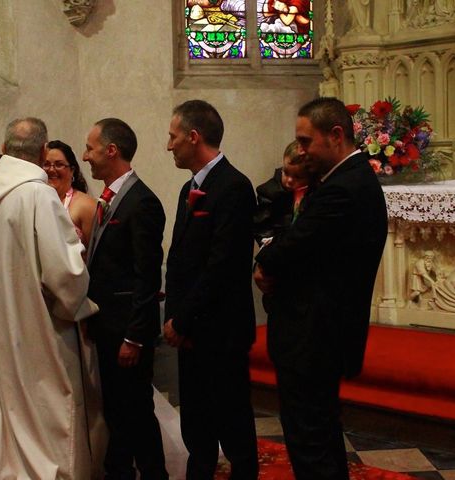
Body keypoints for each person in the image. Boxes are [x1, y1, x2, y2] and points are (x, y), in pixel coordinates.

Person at [254, 97, 388, 480]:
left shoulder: (342, 188)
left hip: (314, 335)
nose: (300, 150)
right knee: (319, 437)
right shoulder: (342, 181)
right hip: (318, 333)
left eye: (306, 141)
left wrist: (265, 262)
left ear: (335, 135)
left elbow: (292, 246)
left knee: (310, 442)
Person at [0, 117, 104, 479]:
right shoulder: (39, 195)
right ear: (43, 153)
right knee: (47, 418)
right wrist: (82, 308)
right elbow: (66, 274)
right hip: (40, 332)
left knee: (4, 407)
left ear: (4, 147)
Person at [164, 99, 258, 479]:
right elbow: (181, 261)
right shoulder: (190, 187)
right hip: (192, 331)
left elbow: (223, 267)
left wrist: (182, 319)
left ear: (193, 136)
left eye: (172, 137)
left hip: (221, 331)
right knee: (197, 424)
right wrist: (174, 316)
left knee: (232, 421)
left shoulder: (234, 187)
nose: (168, 145)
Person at [83, 118, 168, 480]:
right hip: (107, 325)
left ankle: (153, 475)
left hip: (127, 332)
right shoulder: (108, 199)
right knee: (117, 411)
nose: (85, 156)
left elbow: (146, 276)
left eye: (90, 148)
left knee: (135, 411)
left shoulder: (142, 202)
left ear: (111, 150)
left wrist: (134, 335)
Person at [254, 139, 312, 247]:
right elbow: (261, 226)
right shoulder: (269, 192)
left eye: (297, 177)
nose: (289, 180)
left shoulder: (313, 192)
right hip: (275, 248)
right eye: (286, 172)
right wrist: (268, 241)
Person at [43, 140, 97, 248]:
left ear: (72, 170)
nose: (51, 170)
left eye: (59, 165)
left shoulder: (86, 205)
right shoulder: (36, 200)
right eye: (46, 164)